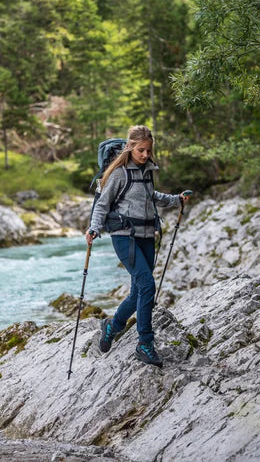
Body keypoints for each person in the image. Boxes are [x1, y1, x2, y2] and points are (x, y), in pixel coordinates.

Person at [85, 125, 190, 368]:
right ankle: (145, 343)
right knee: (146, 284)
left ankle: (112, 326)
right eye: (141, 150)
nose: (145, 154)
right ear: (131, 147)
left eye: (148, 150)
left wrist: (176, 200)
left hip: (146, 235)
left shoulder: (146, 172)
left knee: (138, 291)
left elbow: (151, 196)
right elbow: (102, 204)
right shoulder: (119, 174)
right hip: (124, 236)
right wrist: (94, 228)